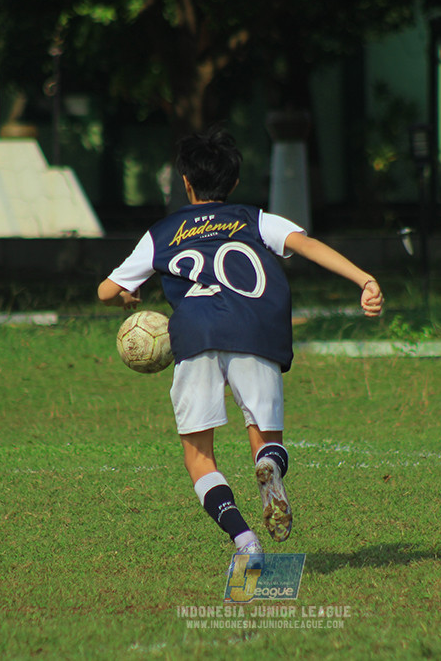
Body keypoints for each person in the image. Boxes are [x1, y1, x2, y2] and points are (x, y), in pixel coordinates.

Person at [98, 127, 384, 558]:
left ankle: (243, 538)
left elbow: (105, 290)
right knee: (265, 439)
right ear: (233, 183)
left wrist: (125, 293)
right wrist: (365, 279)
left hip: (194, 334)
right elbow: (307, 246)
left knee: (199, 456)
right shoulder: (254, 218)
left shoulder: (163, 231)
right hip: (255, 329)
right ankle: (268, 466)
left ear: (185, 181)